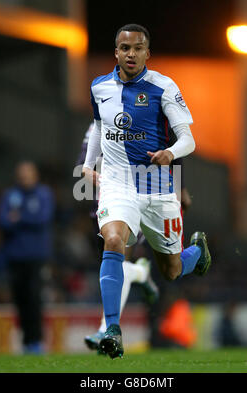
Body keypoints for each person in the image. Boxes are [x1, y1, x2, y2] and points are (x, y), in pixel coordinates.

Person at [82, 24, 211, 359]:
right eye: (125, 48)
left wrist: (172, 152)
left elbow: (188, 139)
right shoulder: (99, 87)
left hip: (156, 183)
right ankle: (111, 329)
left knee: (169, 271)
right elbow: (98, 127)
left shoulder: (163, 87)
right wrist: (88, 163)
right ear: (116, 52)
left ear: (147, 53)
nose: (131, 54)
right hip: (117, 182)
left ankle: (196, 253)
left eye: (138, 48)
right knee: (113, 240)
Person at [77, 122, 159, 354]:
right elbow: (82, 164)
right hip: (103, 204)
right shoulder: (96, 127)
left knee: (118, 263)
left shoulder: (138, 119)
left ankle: (107, 329)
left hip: (132, 201)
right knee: (114, 266)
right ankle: (141, 273)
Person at [0, 161, 55, 354]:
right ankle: (26, 341)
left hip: (37, 256)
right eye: (21, 174)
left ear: (35, 175)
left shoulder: (43, 194)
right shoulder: (10, 195)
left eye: (27, 174)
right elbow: (3, 221)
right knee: (20, 299)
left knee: (35, 298)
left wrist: (19, 217)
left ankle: (37, 341)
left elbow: (42, 218)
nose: (24, 177)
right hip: (14, 256)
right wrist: (25, 217)